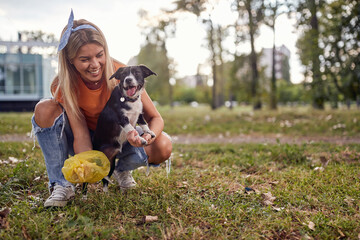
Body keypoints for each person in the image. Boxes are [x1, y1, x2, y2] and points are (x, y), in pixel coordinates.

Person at [31, 10, 172, 207]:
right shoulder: (64, 85)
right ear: (71, 60)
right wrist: (90, 165)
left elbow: (155, 118)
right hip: (90, 140)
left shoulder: (122, 73)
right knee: (44, 107)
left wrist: (150, 136)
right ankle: (61, 185)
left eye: (99, 55)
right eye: (85, 59)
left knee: (163, 144)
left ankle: (121, 169)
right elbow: (80, 134)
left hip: (121, 139)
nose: (95, 64)